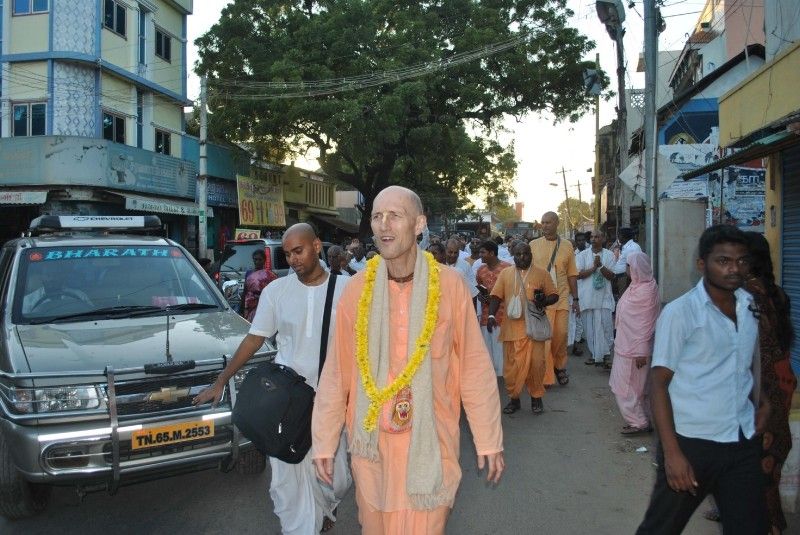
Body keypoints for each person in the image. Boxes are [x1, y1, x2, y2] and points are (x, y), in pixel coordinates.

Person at [311, 186, 504, 534]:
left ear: (419, 224)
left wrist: (488, 438)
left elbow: (475, 367)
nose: (383, 225)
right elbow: (337, 373)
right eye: (376, 216)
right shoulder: (356, 291)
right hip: (374, 453)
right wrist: (324, 441)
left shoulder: (450, 286)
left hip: (432, 445)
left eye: (394, 215)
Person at [194, 223, 352, 535]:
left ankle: (325, 505)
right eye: (288, 253)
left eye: (299, 250)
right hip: (287, 401)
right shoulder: (276, 292)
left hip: (332, 400)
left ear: (317, 246)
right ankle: (301, 528)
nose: (293, 259)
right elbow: (254, 340)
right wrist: (222, 380)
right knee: (287, 476)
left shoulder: (348, 290)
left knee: (338, 477)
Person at [636, 225, 770, 535]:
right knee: (660, 528)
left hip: (741, 439)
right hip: (692, 443)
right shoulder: (681, 313)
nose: (734, 269)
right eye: (723, 260)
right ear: (702, 264)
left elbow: (744, 365)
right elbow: (658, 384)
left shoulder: (749, 307)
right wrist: (672, 454)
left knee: (751, 527)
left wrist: (761, 402)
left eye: (741, 261)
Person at [743, 231, 796, 534]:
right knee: (769, 462)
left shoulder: (747, 297)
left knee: (755, 467)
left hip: (759, 390)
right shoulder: (777, 293)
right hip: (782, 383)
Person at [488, 241, 558, 414]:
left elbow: (554, 295)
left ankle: (536, 398)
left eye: (525, 254)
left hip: (533, 330)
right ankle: (514, 399)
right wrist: (491, 315)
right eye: (518, 254)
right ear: (513, 256)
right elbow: (496, 296)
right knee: (512, 369)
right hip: (511, 330)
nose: (522, 257)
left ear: (531, 255)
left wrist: (544, 301)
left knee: (536, 365)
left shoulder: (541, 274)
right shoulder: (505, 274)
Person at [609, 251, 659, 434]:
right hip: (626, 346)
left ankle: (639, 422)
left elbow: (645, 326)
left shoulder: (646, 291)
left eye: (629, 266)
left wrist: (640, 351)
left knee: (628, 388)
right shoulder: (639, 287)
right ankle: (643, 418)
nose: (627, 269)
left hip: (635, 351)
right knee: (635, 387)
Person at [529, 211, 579, 386]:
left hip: (563, 297)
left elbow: (572, 274)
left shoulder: (567, 246)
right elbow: (527, 272)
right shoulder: (533, 245)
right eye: (542, 222)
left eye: (548, 222)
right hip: (542, 300)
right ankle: (548, 375)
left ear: (557, 223)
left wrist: (577, 300)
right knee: (546, 339)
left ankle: (558, 365)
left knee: (561, 335)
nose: (544, 225)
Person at [575, 230, 616, 368]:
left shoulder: (609, 255)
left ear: (603, 238)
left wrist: (601, 266)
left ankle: (606, 355)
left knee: (606, 327)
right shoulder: (582, 255)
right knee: (590, 329)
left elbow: (611, 276)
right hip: (587, 297)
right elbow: (578, 275)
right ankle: (594, 355)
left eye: (597, 236)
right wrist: (594, 267)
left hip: (604, 297)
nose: (593, 239)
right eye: (592, 237)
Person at [475, 240, 512, 376]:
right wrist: (482, 297)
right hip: (485, 314)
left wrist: (496, 298)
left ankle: (504, 375)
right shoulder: (480, 270)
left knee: (500, 348)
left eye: (483, 252)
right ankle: (490, 376)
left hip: (503, 315)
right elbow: (480, 288)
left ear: (492, 253)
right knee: (487, 347)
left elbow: (512, 291)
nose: (480, 255)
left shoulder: (507, 268)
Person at [240, 249, 278, 322]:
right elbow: (245, 291)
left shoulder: (270, 275)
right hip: (250, 305)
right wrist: (242, 309)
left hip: (264, 305)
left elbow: (275, 293)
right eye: (255, 259)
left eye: (260, 259)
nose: (257, 262)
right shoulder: (249, 273)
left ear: (264, 260)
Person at [569, 232, 588, 356]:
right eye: (578, 240)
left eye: (583, 240)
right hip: (571, 292)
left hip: (582, 291)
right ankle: (573, 344)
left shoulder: (588, 253)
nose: (581, 242)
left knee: (578, 320)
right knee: (573, 320)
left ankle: (576, 343)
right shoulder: (570, 257)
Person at [445, 238, 479, 306]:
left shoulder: (465, 265)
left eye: (456, 252)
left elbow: (473, 291)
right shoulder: (439, 264)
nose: (453, 255)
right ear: (445, 250)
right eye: (450, 252)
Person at [611, 227, 642, 298]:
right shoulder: (626, 246)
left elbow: (633, 266)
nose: (618, 237)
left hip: (625, 278)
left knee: (624, 298)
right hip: (621, 277)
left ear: (623, 236)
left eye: (619, 235)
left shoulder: (632, 248)